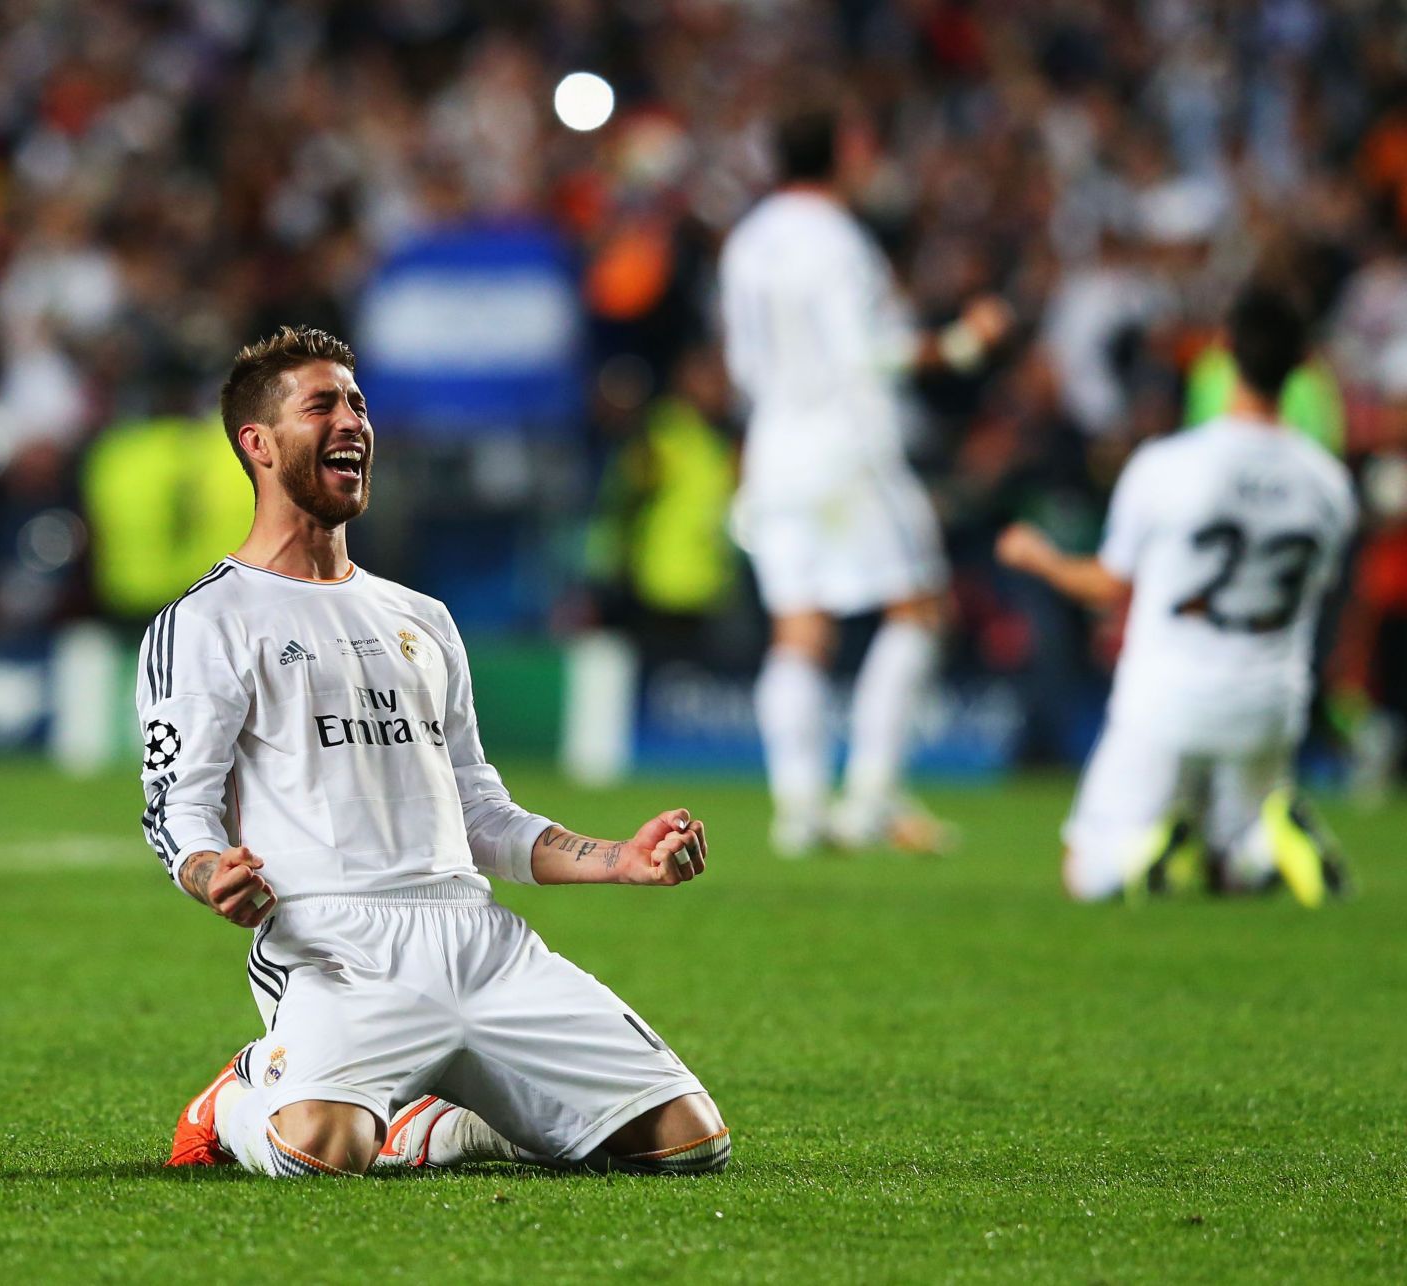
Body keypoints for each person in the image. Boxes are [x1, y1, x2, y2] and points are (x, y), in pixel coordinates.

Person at [150, 326, 727, 1177]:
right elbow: (176, 804)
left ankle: (440, 1125)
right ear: (259, 444)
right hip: (334, 942)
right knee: (316, 1153)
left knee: (688, 1142)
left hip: (477, 937)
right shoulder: (210, 619)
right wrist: (207, 871)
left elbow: (478, 811)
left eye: (358, 403)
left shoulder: (421, 617)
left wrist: (621, 861)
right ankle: (237, 1095)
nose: (352, 421)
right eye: (323, 405)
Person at [996, 284, 1356, 905]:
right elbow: (1316, 597)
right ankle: (1260, 846)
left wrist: (1043, 559)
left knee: (1086, 873)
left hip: (1168, 700)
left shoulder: (1166, 466)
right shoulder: (1327, 483)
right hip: (1272, 706)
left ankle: (1159, 848)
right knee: (1235, 866)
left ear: (1223, 353)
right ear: (1304, 365)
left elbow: (1110, 586)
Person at [718, 106, 1012, 857]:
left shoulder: (747, 242)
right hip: (845, 443)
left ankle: (800, 808)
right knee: (917, 606)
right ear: (842, 154)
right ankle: (874, 795)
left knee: (799, 627)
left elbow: (743, 363)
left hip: (774, 444)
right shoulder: (840, 241)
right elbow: (865, 351)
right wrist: (960, 343)